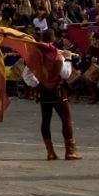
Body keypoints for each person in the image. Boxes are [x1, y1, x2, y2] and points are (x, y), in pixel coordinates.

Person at [22, 30, 81, 161]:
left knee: (46, 120)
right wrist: (69, 58)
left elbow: (27, 76)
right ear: (54, 39)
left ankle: (50, 152)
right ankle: (70, 152)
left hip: (43, 92)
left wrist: (38, 83)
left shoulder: (36, 56)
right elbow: (65, 74)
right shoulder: (57, 54)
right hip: (58, 91)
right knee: (66, 119)